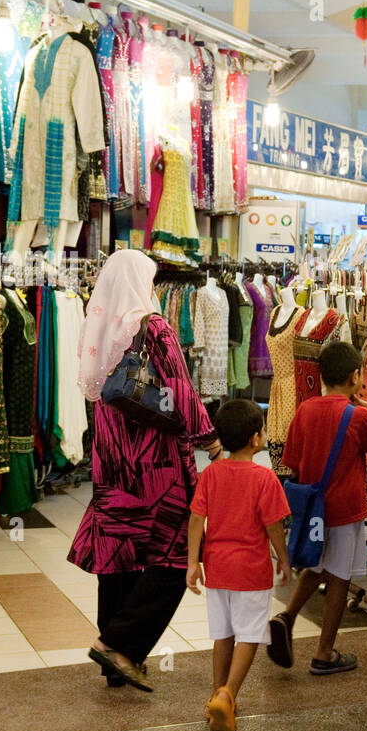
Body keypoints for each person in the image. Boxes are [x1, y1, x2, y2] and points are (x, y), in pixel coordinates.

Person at [70, 250, 221, 693]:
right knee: (176, 557)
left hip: (112, 460)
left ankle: (114, 662)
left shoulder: (99, 324)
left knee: (119, 554)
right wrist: (208, 438)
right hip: (154, 464)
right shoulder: (153, 327)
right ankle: (120, 646)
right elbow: (179, 390)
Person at [269, 341, 367, 675]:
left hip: (311, 509)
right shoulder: (359, 415)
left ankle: (287, 616)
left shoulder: (306, 410)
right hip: (345, 510)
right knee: (339, 579)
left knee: (316, 565)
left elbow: (291, 462)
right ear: (355, 376)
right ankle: (324, 652)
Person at [186, 400, 291, 731]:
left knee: (223, 634)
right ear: (255, 439)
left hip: (217, 568)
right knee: (250, 634)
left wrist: (193, 562)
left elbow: (196, 520)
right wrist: (284, 559)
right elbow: (274, 525)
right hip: (251, 571)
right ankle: (228, 695)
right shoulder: (265, 478)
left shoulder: (211, 474)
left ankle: (216, 695)